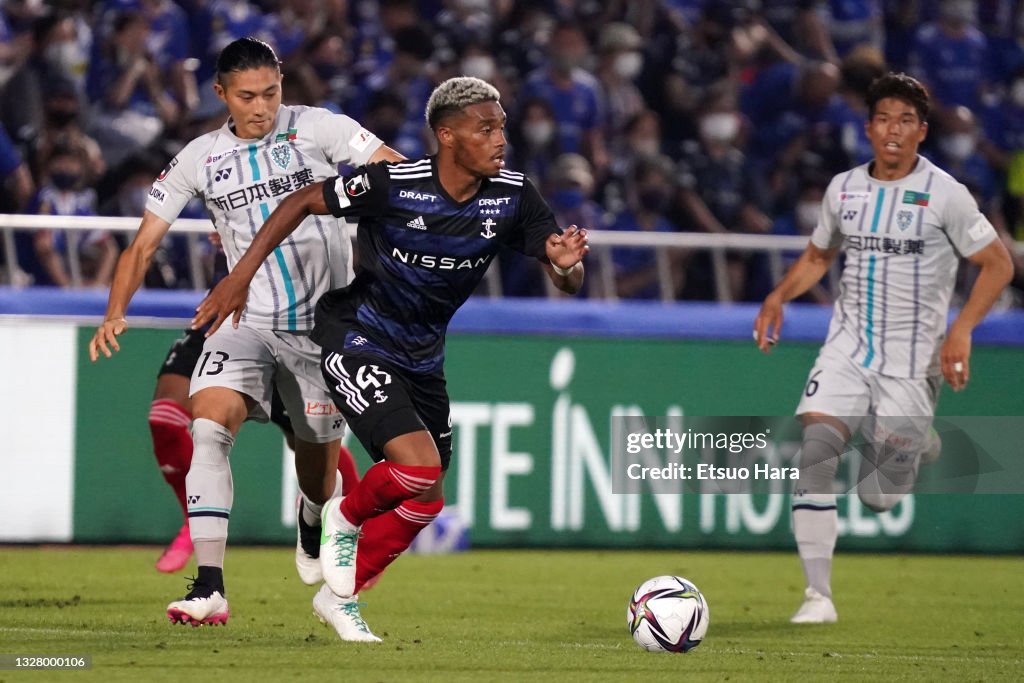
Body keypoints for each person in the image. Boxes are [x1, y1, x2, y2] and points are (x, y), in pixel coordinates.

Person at [192, 76, 590, 641]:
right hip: (358, 336)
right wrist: (240, 275)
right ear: (448, 137)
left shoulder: (513, 195)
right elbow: (305, 199)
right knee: (418, 467)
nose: (501, 138)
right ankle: (344, 515)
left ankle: (338, 598)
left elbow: (566, 278)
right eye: (487, 128)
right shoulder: (394, 185)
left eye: (501, 126)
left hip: (422, 358)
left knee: (427, 498)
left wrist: (567, 264)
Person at [87, 37, 402, 633]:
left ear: (283, 82)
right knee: (207, 423)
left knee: (318, 471)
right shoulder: (198, 158)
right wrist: (114, 311)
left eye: (271, 92)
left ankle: (312, 518)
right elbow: (144, 242)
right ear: (221, 94)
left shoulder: (319, 127)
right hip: (246, 321)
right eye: (247, 96)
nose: (261, 107)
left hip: (323, 330)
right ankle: (210, 587)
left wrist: (384, 192)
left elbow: (390, 163)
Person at [753, 73, 1013, 624]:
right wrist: (778, 296)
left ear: (921, 131)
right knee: (815, 453)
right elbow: (821, 255)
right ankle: (818, 596)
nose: (893, 130)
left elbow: (998, 264)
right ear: (869, 128)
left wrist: (962, 329)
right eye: (883, 119)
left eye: (905, 120)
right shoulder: (843, 188)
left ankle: (917, 444)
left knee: (877, 496)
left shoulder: (945, 194)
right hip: (848, 344)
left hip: (912, 359)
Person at [149, 251, 364, 575]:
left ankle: (353, 523)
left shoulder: (303, 206)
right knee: (165, 416)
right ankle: (193, 525)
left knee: (311, 443)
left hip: (283, 323)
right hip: (222, 312)